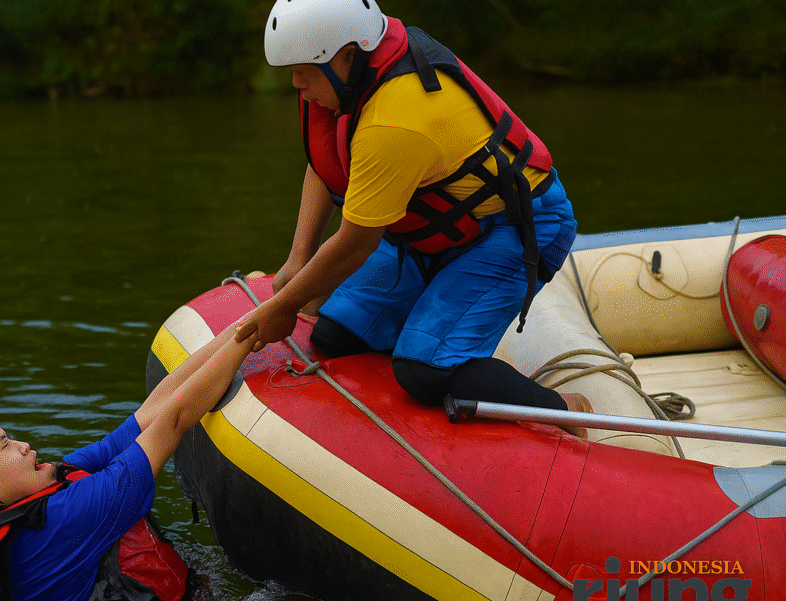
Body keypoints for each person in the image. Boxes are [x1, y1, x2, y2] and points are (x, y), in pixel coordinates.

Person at [236, 0, 590, 421]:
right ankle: (433, 328)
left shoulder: (394, 120)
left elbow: (355, 244)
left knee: (424, 372)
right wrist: (297, 259)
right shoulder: (349, 77)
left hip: (515, 225)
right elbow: (326, 162)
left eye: (303, 70)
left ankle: (566, 409)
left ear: (348, 55)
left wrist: (282, 308)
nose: (296, 83)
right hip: (432, 229)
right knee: (338, 333)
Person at [0, 323, 257, 601]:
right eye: (5, 446)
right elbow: (173, 422)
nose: (23, 445)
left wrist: (248, 326)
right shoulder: (62, 520)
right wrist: (255, 333)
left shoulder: (35, 497)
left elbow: (148, 415)